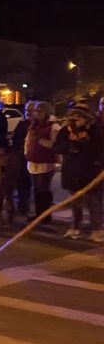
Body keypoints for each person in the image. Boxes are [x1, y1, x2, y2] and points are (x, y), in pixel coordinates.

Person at [53, 103, 104, 241]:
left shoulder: (95, 130)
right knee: (76, 204)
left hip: (90, 172)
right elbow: (57, 147)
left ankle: (97, 231)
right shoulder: (65, 131)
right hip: (72, 172)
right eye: (73, 117)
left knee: (94, 203)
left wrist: (82, 140)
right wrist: (69, 145)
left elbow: (97, 150)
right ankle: (75, 228)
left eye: (79, 117)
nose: (75, 120)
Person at [25, 100, 60, 222]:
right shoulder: (34, 125)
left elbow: (55, 144)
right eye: (36, 111)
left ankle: (45, 215)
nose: (37, 114)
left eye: (40, 111)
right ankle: (39, 214)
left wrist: (39, 140)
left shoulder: (53, 126)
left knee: (43, 189)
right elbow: (28, 140)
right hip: (33, 161)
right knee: (36, 189)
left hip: (45, 162)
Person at [11, 101, 34, 216]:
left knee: (36, 185)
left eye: (31, 110)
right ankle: (23, 207)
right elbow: (16, 140)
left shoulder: (38, 125)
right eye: (26, 110)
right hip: (21, 157)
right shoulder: (22, 124)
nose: (28, 113)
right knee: (22, 183)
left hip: (34, 158)